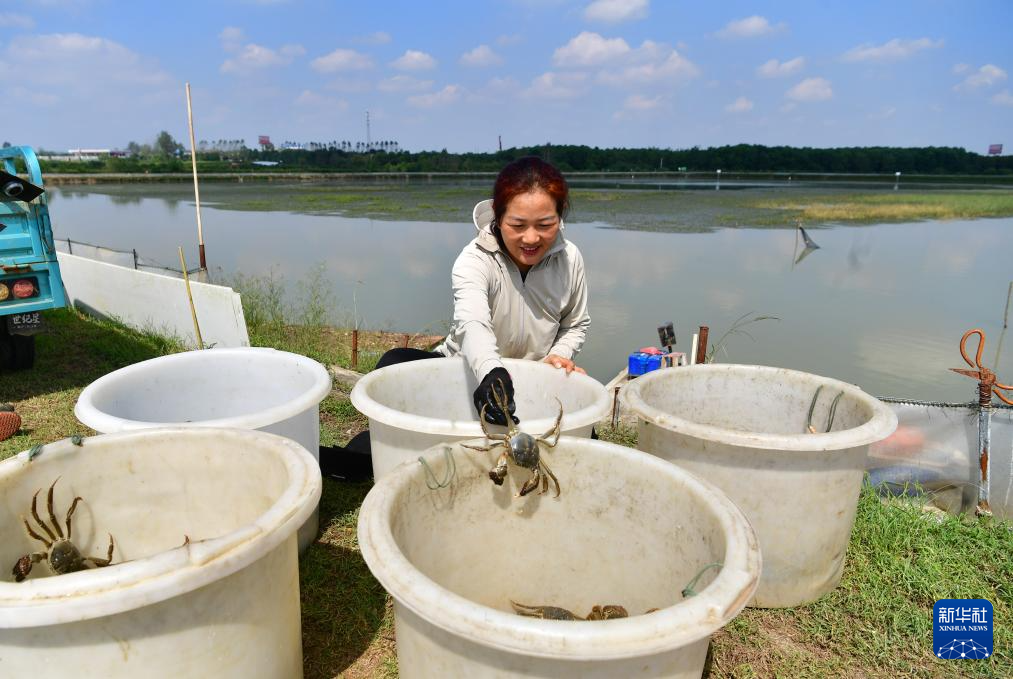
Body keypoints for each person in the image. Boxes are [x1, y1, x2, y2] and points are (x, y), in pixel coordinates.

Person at [321, 156, 590, 479]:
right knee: (393, 361)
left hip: (534, 377)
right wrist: (491, 370)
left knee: (584, 441)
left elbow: (575, 323)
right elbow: (472, 324)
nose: (531, 238)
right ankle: (368, 454)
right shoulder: (474, 260)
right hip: (468, 370)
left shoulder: (570, 258)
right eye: (518, 225)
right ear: (498, 217)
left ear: (560, 218)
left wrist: (559, 356)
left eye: (545, 225)